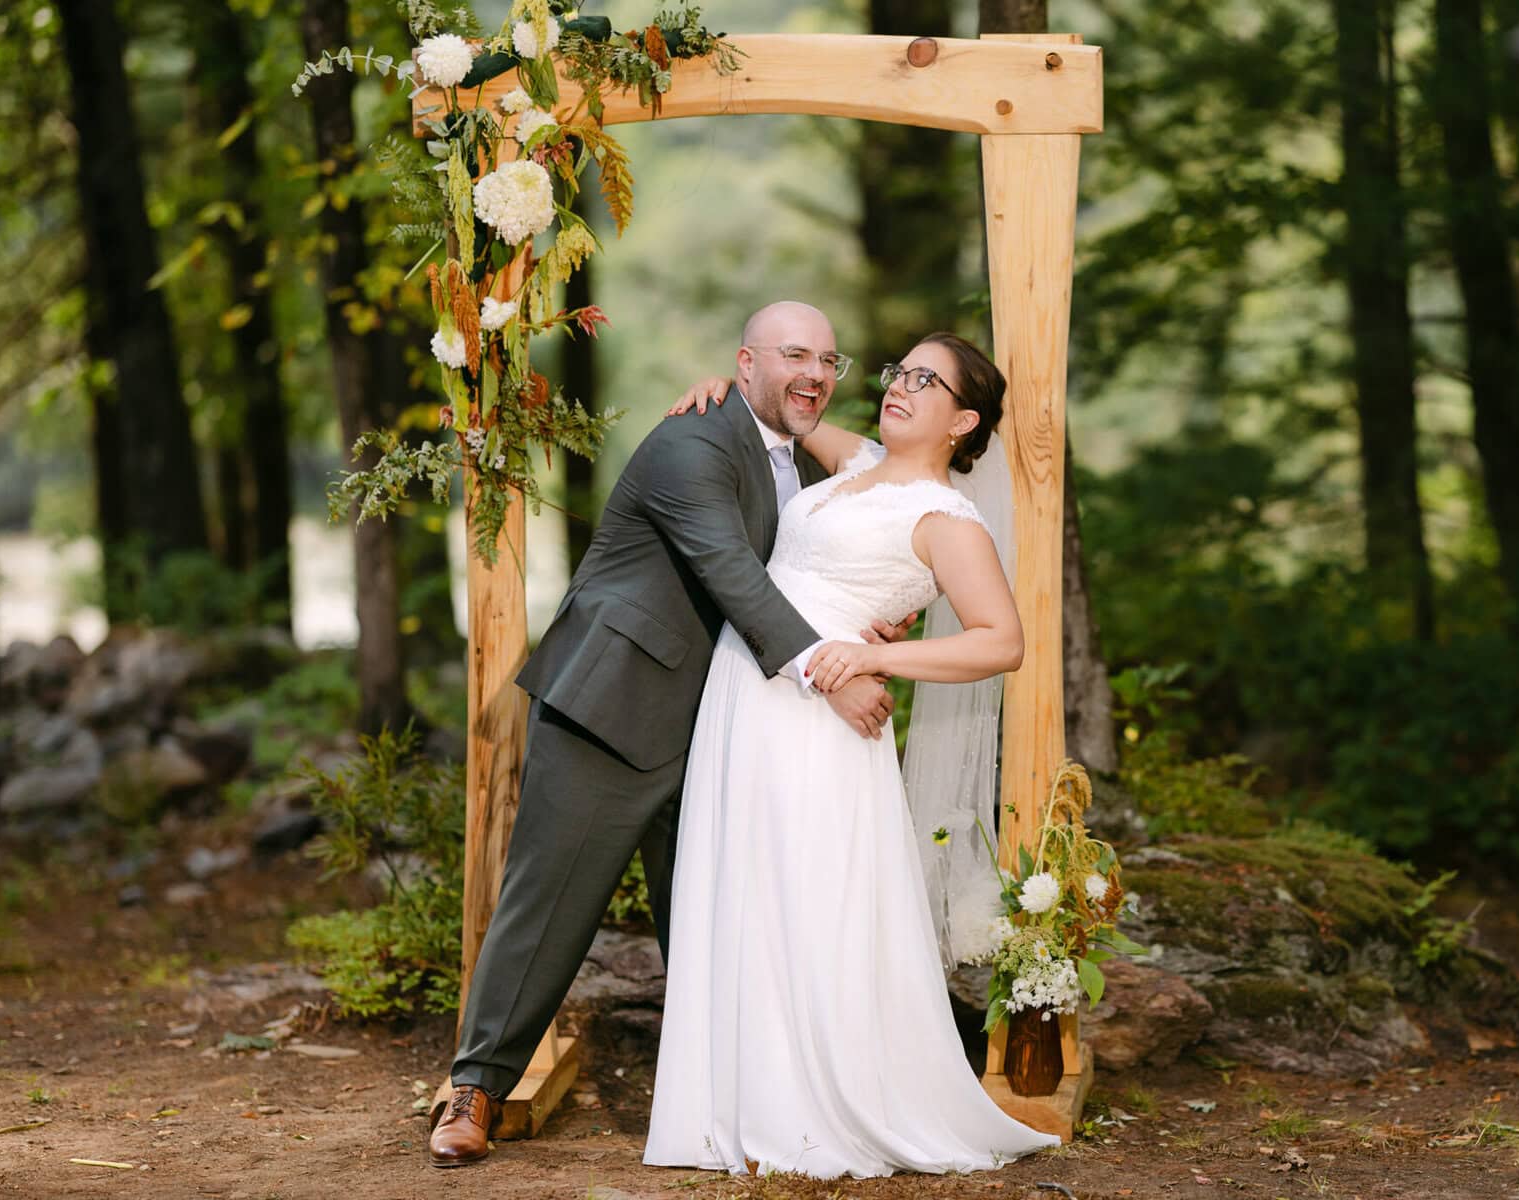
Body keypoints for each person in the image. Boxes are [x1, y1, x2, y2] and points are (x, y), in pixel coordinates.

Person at [428, 301, 909, 1168]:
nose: (814, 373)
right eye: (793, 355)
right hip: (615, 706)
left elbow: (798, 572)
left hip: (725, 725)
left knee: (722, 912)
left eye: (829, 362)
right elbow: (729, 569)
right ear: (744, 362)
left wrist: (861, 625)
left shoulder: (795, 460)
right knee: (550, 906)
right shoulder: (692, 443)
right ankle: (476, 1089)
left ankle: (733, 1099)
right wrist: (827, 673)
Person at [642, 332, 1059, 1178]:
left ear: (963, 419)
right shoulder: (860, 461)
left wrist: (877, 658)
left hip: (822, 725)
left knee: (806, 895)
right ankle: (733, 1101)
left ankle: (807, 1109)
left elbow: (1002, 642)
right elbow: (779, 414)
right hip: (747, 696)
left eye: (925, 380)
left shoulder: (946, 520)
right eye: (897, 371)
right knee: (743, 884)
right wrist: (723, 388)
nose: (898, 386)